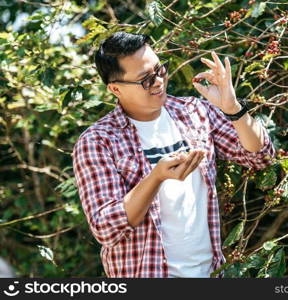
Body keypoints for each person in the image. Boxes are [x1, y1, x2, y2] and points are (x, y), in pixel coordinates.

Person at [72, 31, 275, 278]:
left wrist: (233, 108)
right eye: (145, 79)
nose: (158, 81)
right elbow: (106, 228)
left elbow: (260, 156)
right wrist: (155, 178)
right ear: (116, 89)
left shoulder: (193, 111)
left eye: (160, 70)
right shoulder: (98, 141)